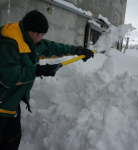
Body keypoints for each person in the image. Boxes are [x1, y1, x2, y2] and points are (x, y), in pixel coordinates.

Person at [0, 10, 94, 150]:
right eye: (42, 35)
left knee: (12, 139)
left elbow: (53, 47)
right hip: (2, 103)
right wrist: (38, 70)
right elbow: (10, 77)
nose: (42, 38)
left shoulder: (29, 39)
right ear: (33, 32)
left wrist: (78, 50)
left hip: (11, 102)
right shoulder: (9, 43)